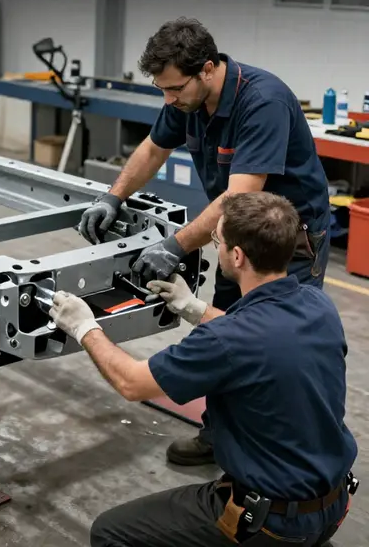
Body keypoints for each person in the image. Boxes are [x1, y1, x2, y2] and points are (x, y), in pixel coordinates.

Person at [77, 17, 332, 466]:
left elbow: (238, 196)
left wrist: (175, 246)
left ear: (208, 69)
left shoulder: (263, 102)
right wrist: (113, 196)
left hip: (288, 242)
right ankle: (219, 436)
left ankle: (281, 453)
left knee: (278, 343)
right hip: (238, 236)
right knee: (228, 329)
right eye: (162, 90)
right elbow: (153, 148)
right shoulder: (187, 97)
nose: (169, 100)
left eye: (174, 89)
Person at [52, 191, 357, 547]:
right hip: (333, 505)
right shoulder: (318, 304)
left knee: (109, 532)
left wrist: (84, 327)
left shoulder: (224, 340)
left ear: (237, 256)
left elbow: (131, 382)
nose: (215, 246)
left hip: (272, 524)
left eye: (217, 240)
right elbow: (263, 338)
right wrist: (193, 307)